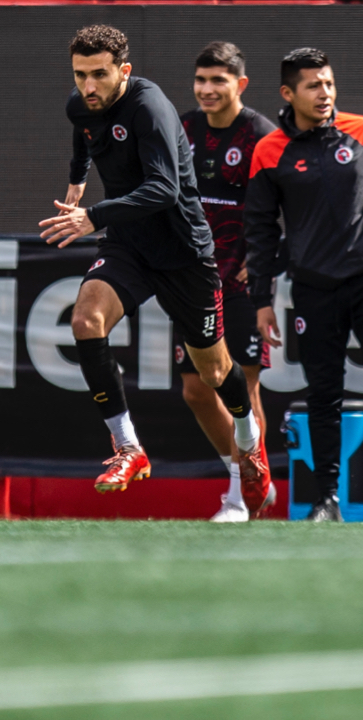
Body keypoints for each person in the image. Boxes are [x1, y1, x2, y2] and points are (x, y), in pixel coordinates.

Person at [40, 25, 268, 506]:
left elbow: (164, 190)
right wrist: (77, 181)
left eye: (100, 74)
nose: (89, 86)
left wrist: (92, 217)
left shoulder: (150, 107)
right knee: (85, 320)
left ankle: (250, 438)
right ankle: (128, 447)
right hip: (129, 246)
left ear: (124, 70)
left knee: (214, 371)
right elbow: (84, 136)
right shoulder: (80, 103)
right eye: (81, 74)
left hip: (184, 252)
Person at [244, 48, 363, 523]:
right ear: (288, 94)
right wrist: (262, 300)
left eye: (329, 84)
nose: (325, 94)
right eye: (313, 86)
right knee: (323, 394)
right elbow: (261, 231)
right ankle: (326, 499)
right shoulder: (268, 151)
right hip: (313, 289)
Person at [179, 41, 279, 523]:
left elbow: (289, 204)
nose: (207, 89)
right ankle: (245, 478)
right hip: (194, 280)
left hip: (242, 283)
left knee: (245, 389)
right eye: (201, 80)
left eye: (218, 80)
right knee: (197, 391)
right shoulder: (182, 128)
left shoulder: (262, 135)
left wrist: (262, 260)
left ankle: (243, 495)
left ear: (240, 84)